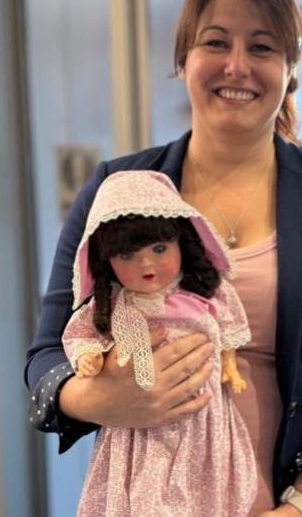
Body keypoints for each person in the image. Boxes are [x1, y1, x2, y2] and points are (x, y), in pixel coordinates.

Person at [26, 0, 302, 516]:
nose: (237, 66)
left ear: (288, 69)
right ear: (183, 59)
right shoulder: (117, 190)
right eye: (216, 42)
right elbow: (47, 351)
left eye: (262, 47)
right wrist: (98, 398)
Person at [61, 170, 256, 516]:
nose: (147, 263)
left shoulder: (204, 296)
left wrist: (229, 365)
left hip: (204, 422)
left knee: (207, 494)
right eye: (127, 256)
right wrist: (89, 357)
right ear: (106, 262)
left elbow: (228, 329)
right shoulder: (115, 307)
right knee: (144, 496)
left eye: (160, 248)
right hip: (139, 433)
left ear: (183, 241)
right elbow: (79, 334)